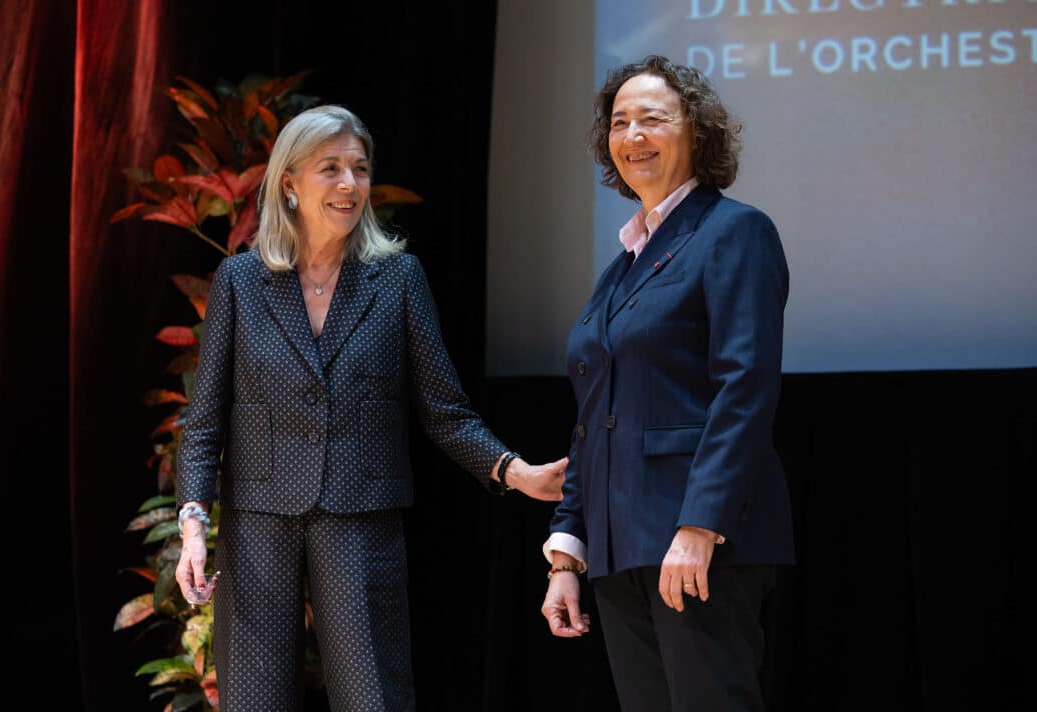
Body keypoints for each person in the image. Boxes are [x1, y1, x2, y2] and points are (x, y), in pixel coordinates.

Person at [174, 104, 567, 712]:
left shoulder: (398, 279)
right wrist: (194, 525)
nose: (349, 185)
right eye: (329, 168)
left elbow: (446, 411)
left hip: (361, 518)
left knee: (373, 700)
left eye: (359, 169)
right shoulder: (240, 281)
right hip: (256, 524)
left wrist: (514, 471)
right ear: (289, 184)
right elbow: (203, 425)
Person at [540, 56, 794, 712]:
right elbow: (594, 414)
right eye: (620, 123)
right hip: (621, 547)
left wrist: (700, 524)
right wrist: (567, 550)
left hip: (697, 540)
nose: (632, 136)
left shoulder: (734, 232)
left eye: (652, 119)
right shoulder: (624, 264)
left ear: (699, 135)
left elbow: (746, 386)